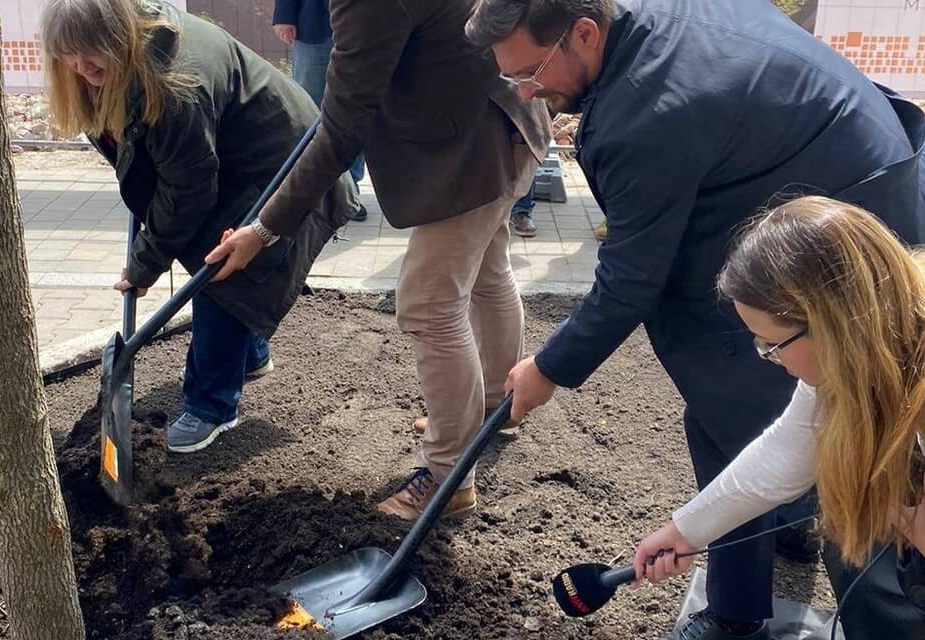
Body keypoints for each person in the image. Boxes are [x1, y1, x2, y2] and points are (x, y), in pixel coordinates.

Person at [465, 0, 925, 638]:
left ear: (584, 34)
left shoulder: (646, 115)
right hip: (842, 173)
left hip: (846, 200)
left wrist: (548, 367)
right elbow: (793, 432)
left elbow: (632, 277)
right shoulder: (652, 21)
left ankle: (753, 612)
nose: (526, 91)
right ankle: (800, 518)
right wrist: (684, 531)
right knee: (785, 403)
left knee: (738, 403)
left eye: (531, 71)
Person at [207, 0, 551, 521]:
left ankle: (447, 474)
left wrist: (264, 228)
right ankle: (491, 408)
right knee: (486, 271)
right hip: (507, 123)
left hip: (472, 154)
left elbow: (341, 128)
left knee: (429, 303)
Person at [41, 0, 358, 453]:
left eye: (91, 50)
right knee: (219, 266)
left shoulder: (173, 84)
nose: (79, 64)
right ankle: (248, 355)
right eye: (68, 53)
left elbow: (188, 190)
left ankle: (212, 406)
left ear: (120, 36)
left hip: (279, 165)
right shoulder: (122, 61)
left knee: (222, 276)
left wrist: (145, 263)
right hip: (226, 160)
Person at [632, 196, 925, 635]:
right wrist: (687, 529)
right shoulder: (867, 347)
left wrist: (901, 513)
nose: (768, 358)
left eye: (771, 344)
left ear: (831, 323)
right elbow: (787, 450)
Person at [271, 0, 367, 222]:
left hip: (364, 26)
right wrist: (285, 14)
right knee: (306, 110)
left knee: (358, 109)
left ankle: (349, 191)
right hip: (313, 25)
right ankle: (306, 192)